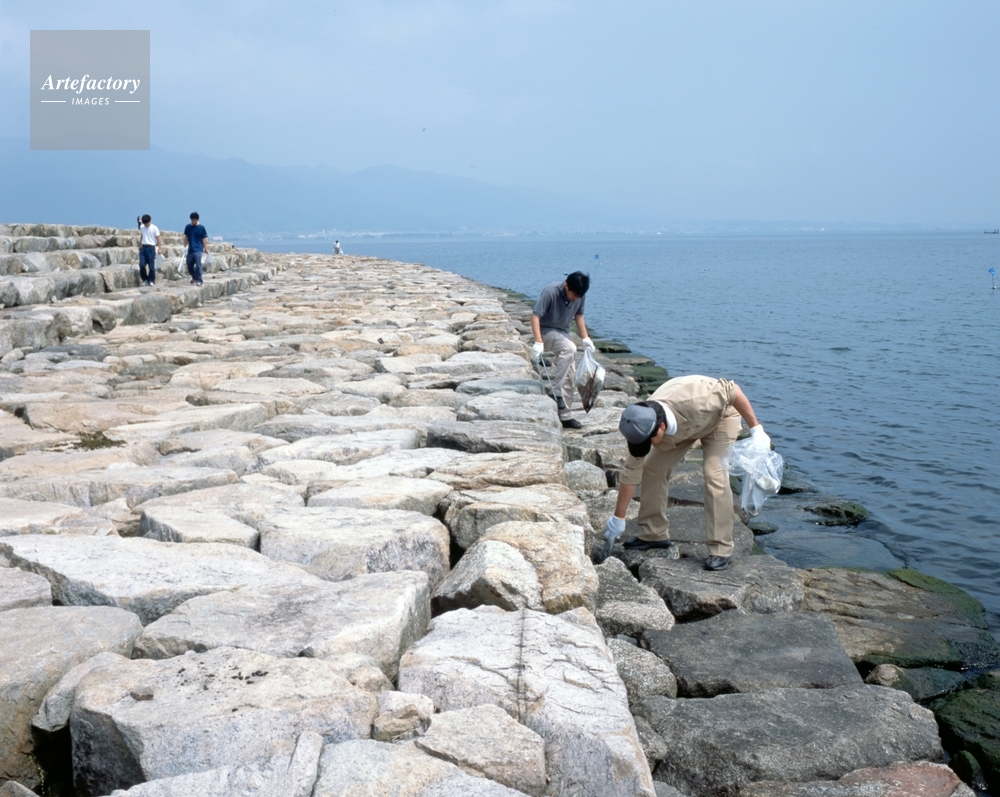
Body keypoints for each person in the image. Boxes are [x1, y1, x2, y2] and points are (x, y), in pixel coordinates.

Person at [603, 375, 772, 571]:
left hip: (720, 419)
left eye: (648, 441)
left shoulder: (699, 398)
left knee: (714, 474)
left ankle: (721, 549)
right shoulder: (640, 423)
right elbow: (631, 471)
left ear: (661, 427)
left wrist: (756, 429)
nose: (645, 445)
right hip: (684, 427)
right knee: (652, 467)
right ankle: (653, 533)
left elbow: (733, 391)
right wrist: (619, 517)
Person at [530, 271, 593, 429]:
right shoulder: (551, 292)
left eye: (579, 296)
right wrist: (538, 342)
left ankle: (565, 416)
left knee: (570, 373)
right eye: (574, 295)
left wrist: (585, 338)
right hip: (545, 331)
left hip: (563, 332)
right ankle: (556, 392)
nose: (576, 299)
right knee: (570, 348)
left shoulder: (579, 294)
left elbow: (579, 315)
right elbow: (535, 316)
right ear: (566, 286)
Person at [183, 212, 208, 286]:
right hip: (190, 249)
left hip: (198, 249)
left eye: (194, 220)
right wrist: (184, 247)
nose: (193, 222)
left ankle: (199, 280)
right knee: (189, 265)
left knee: (198, 265)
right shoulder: (188, 227)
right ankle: (194, 276)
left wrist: (206, 248)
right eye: (192, 220)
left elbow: (203, 239)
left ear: (197, 220)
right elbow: (186, 237)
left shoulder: (201, 228)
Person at [137, 214, 161, 286]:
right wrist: (140, 244)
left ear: (149, 221)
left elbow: (158, 238)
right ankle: (145, 279)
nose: (145, 225)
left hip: (151, 248)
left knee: (151, 266)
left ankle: (151, 280)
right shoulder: (142, 227)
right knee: (142, 265)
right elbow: (142, 235)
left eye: (146, 223)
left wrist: (160, 248)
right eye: (144, 223)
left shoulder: (154, 228)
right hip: (143, 248)